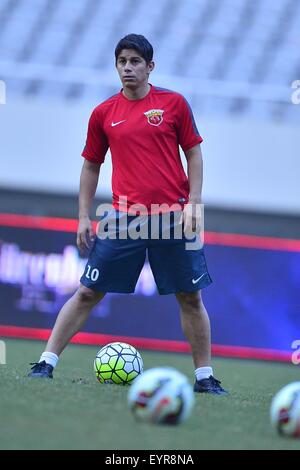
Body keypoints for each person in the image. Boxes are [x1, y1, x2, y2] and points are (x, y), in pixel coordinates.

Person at [28, 34, 227, 395]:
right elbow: (91, 166)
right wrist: (83, 216)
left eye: (135, 61)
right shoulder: (103, 113)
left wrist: (194, 203)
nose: (127, 68)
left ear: (150, 67)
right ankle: (45, 363)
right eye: (122, 61)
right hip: (123, 218)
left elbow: (194, 154)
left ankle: (204, 378)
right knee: (87, 293)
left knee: (191, 297)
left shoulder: (174, 104)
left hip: (174, 216)